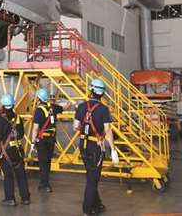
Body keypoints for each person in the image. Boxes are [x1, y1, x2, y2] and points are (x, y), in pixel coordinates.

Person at [73, 79, 119, 216]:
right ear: (102, 94)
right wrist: (113, 149)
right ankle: (87, 210)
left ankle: (97, 204)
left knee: (91, 176)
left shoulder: (81, 106)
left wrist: (86, 130)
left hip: (83, 144)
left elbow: (76, 127)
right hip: (95, 146)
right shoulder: (103, 109)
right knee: (93, 179)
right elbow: (108, 130)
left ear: (91, 90)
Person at [0, 93, 30, 206]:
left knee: (8, 175)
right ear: (13, 104)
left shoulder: (1, 118)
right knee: (21, 175)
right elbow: (22, 134)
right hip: (18, 150)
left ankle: (10, 198)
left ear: (3, 105)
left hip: (6, 151)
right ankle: (25, 198)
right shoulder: (18, 117)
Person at [30, 88, 63, 192]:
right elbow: (63, 108)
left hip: (42, 139)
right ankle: (44, 183)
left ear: (39, 98)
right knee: (47, 161)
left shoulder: (39, 110)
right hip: (51, 138)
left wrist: (32, 142)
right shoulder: (52, 107)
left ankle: (45, 184)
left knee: (43, 163)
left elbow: (35, 128)